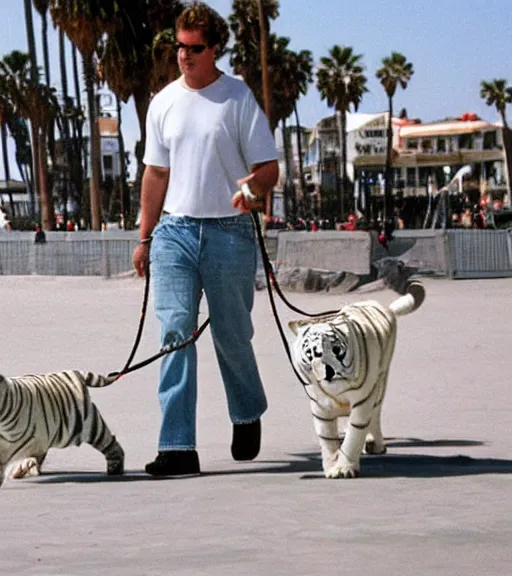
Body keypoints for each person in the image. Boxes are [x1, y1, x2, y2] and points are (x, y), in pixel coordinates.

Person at [132, 2, 279, 478]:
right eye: (179, 45)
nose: (183, 55)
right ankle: (177, 447)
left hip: (229, 233)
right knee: (175, 332)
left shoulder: (237, 99)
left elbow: (268, 168)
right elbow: (155, 173)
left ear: (215, 49)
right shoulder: (163, 102)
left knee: (232, 334)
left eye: (194, 48)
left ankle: (247, 410)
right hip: (174, 233)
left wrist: (253, 190)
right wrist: (144, 237)